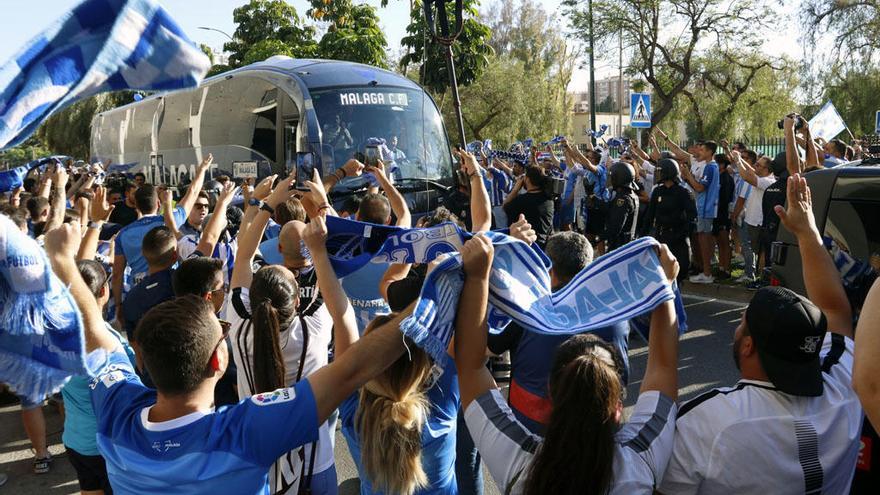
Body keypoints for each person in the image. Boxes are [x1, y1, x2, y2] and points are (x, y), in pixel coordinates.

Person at [44, 218, 418, 494]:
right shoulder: (243, 431)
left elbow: (94, 332)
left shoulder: (116, 410)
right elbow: (353, 369)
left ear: (144, 359)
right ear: (218, 363)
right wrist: (430, 298)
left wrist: (63, 263)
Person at [658, 175, 862, 494]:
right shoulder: (844, 383)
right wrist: (807, 231)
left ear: (749, 345)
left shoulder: (712, 421)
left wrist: (664, 293)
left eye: (742, 322)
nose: (737, 326)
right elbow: (836, 311)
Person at [455, 233, 681, 494]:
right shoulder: (641, 460)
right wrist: (663, 284)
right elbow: (663, 366)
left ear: (551, 391)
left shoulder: (520, 465)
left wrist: (477, 277)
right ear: (618, 403)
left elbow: (471, 365)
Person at [228, 173, 336, 494]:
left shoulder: (240, 324)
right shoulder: (313, 327)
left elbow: (243, 256)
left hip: (255, 461)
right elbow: (330, 262)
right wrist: (322, 205)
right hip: (313, 463)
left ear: (253, 297)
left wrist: (267, 202)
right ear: (295, 299)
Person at [488, 231, 633, 435]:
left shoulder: (529, 309)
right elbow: (623, 378)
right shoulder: (617, 315)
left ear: (549, 269)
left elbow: (484, 351)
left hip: (531, 436)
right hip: (600, 438)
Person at [62, 260, 136, 495]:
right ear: (104, 291)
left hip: (75, 439)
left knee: (90, 489)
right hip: (105, 445)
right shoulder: (105, 343)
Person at [112, 155, 212, 323]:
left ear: (136, 205)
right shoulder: (170, 221)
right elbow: (193, 192)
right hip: (169, 291)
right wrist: (202, 169)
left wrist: (118, 306)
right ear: (158, 204)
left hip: (138, 297)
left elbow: (117, 275)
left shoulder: (123, 234)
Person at [340, 159, 411, 333]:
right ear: (388, 221)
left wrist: (340, 172)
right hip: (382, 332)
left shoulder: (341, 242)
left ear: (357, 217)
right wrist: (383, 179)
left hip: (349, 332)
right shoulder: (397, 245)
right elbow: (403, 211)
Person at [172, 257, 239, 407]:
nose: (225, 292)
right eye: (223, 287)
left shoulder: (161, 331)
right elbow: (239, 389)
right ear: (209, 296)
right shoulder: (220, 339)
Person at [657, 133, 720, 284]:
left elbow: (699, 188)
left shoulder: (710, 167)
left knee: (705, 240)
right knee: (701, 239)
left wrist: (687, 175)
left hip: (706, 208)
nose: (700, 152)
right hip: (702, 207)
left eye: (703, 150)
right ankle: (703, 270)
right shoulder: (707, 166)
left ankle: (707, 273)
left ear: (710, 152)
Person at [642, 158, 697, 283]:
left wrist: (682, 234)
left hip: (679, 238)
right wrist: (643, 235)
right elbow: (649, 216)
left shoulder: (683, 193)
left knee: (679, 273)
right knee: (660, 274)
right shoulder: (657, 191)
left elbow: (692, 217)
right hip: (661, 236)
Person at [121, 226, 178, 342]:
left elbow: (135, 346)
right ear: (175, 255)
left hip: (148, 359)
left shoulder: (131, 298)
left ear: (143, 253)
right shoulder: (183, 284)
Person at [503, 166, 554, 248]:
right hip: (545, 244)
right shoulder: (549, 200)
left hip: (527, 245)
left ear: (527, 179)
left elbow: (505, 206)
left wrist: (516, 189)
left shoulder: (521, 201)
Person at [604, 161, 639, 252]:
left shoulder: (623, 199)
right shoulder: (631, 195)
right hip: (627, 244)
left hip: (620, 246)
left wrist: (599, 237)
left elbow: (615, 227)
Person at [712, 154, 735, 279]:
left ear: (722, 165)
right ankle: (721, 267)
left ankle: (726, 269)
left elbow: (725, 199)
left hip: (723, 214)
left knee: (725, 242)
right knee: (719, 242)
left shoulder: (726, 179)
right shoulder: (718, 177)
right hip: (716, 214)